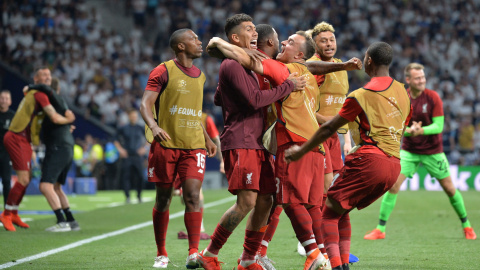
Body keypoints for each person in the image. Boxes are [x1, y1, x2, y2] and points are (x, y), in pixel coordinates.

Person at [207, 24, 362, 270]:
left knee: (289, 200)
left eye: (289, 42)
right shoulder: (307, 74)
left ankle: (313, 255)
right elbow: (223, 95)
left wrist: (219, 42)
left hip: (293, 144)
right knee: (299, 202)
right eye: (283, 40)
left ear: (299, 54)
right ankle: (319, 254)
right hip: (313, 145)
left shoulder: (284, 70)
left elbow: (249, 66)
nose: (283, 44)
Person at [285, 42, 412, 270]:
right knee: (340, 210)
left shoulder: (360, 96)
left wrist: (301, 150)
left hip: (370, 161)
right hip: (394, 165)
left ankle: (335, 266)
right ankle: (343, 264)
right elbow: (400, 126)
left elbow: (328, 128)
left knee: (327, 214)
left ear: (369, 61)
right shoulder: (404, 91)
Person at [197, 14, 305, 270]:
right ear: (235, 38)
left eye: (255, 28)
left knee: (268, 199)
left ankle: (247, 259)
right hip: (242, 140)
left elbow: (217, 99)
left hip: (259, 142)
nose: (254, 32)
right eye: (248, 29)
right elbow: (255, 100)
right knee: (247, 201)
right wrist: (288, 87)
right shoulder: (232, 65)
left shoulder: (247, 64)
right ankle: (209, 253)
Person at [364, 63, 477, 241]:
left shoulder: (433, 98)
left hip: (433, 152)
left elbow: (439, 126)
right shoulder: (402, 97)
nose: (422, 80)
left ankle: (467, 226)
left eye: (423, 77)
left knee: (449, 188)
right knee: (393, 186)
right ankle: (380, 229)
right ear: (408, 80)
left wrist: (420, 130)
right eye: (418, 78)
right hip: (409, 151)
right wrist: (408, 130)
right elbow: (395, 123)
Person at [139, 28, 217, 269]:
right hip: (166, 144)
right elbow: (145, 104)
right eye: (193, 39)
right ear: (180, 46)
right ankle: (161, 252)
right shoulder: (163, 71)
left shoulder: (201, 75)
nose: (199, 42)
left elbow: (195, 113)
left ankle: (193, 252)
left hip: (194, 146)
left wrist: (206, 137)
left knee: (192, 195)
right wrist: (153, 127)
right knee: (163, 199)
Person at [0, 67, 75, 232]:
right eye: (44, 75)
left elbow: (43, 121)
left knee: (26, 180)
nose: (48, 77)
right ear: (36, 79)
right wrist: (68, 120)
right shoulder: (40, 94)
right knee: (24, 180)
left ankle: (13, 213)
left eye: (49, 75)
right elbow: (54, 117)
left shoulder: (35, 94)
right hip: (17, 137)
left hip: (25, 140)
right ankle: (6, 214)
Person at [34, 77, 80, 232]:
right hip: (66, 147)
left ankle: (62, 222)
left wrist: (30, 87)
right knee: (56, 187)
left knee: (45, 186)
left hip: (58, 147)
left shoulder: (52, 103)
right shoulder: (62, 105)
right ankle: (71, 221)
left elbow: (53, 115)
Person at [176, 112, 224, 240]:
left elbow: (215, 139)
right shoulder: (175, 113)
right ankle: (178, 190)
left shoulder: (205, 118)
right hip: (175, 154)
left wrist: (222, 161)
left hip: (195, 156)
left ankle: (199, 229)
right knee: (178, 195)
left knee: (196, 195)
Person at [114, 109, 147, 204]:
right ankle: (127, 196)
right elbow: (115, 139)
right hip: (127, 155)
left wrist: (144, 148)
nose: (133, 118)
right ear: (129, 116)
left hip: (137, 156)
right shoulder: (123, 128)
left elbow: (149, 138)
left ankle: (139, 195)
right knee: (126, 177)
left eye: (135, 116)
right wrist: (120, 150)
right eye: (132, 116)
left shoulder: (140, 127)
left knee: (140, 176)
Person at [0, 90, 14, 208]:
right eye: (2, 98)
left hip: (6, 154)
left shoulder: (13, 117)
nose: (4, 100)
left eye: (6, 98)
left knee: (6, 182)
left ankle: (7, 212)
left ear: (10, 101)